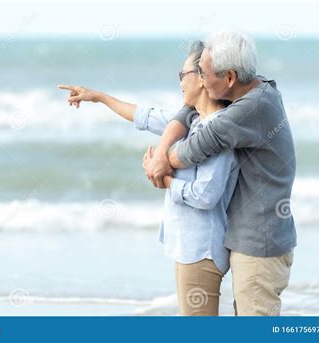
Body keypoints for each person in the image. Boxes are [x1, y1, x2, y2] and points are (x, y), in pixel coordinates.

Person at [59, 41, 238, 315]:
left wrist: (165, 180)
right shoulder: (192, 121)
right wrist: (99, 97)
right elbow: (145, 116)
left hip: (201, 249)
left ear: (202, 78)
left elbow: (206, 195)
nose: (179, 82)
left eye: (183, 75)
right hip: (188, 246)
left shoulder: (217, 130)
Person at [143, 31, 297, 316]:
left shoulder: (248, 109)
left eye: (204, 72)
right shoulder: (254, 87)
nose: (200, 78)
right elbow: (188, 110)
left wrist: (161, 166)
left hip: (259, 243)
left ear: (229, 78)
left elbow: (195, 147)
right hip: (254, 239)